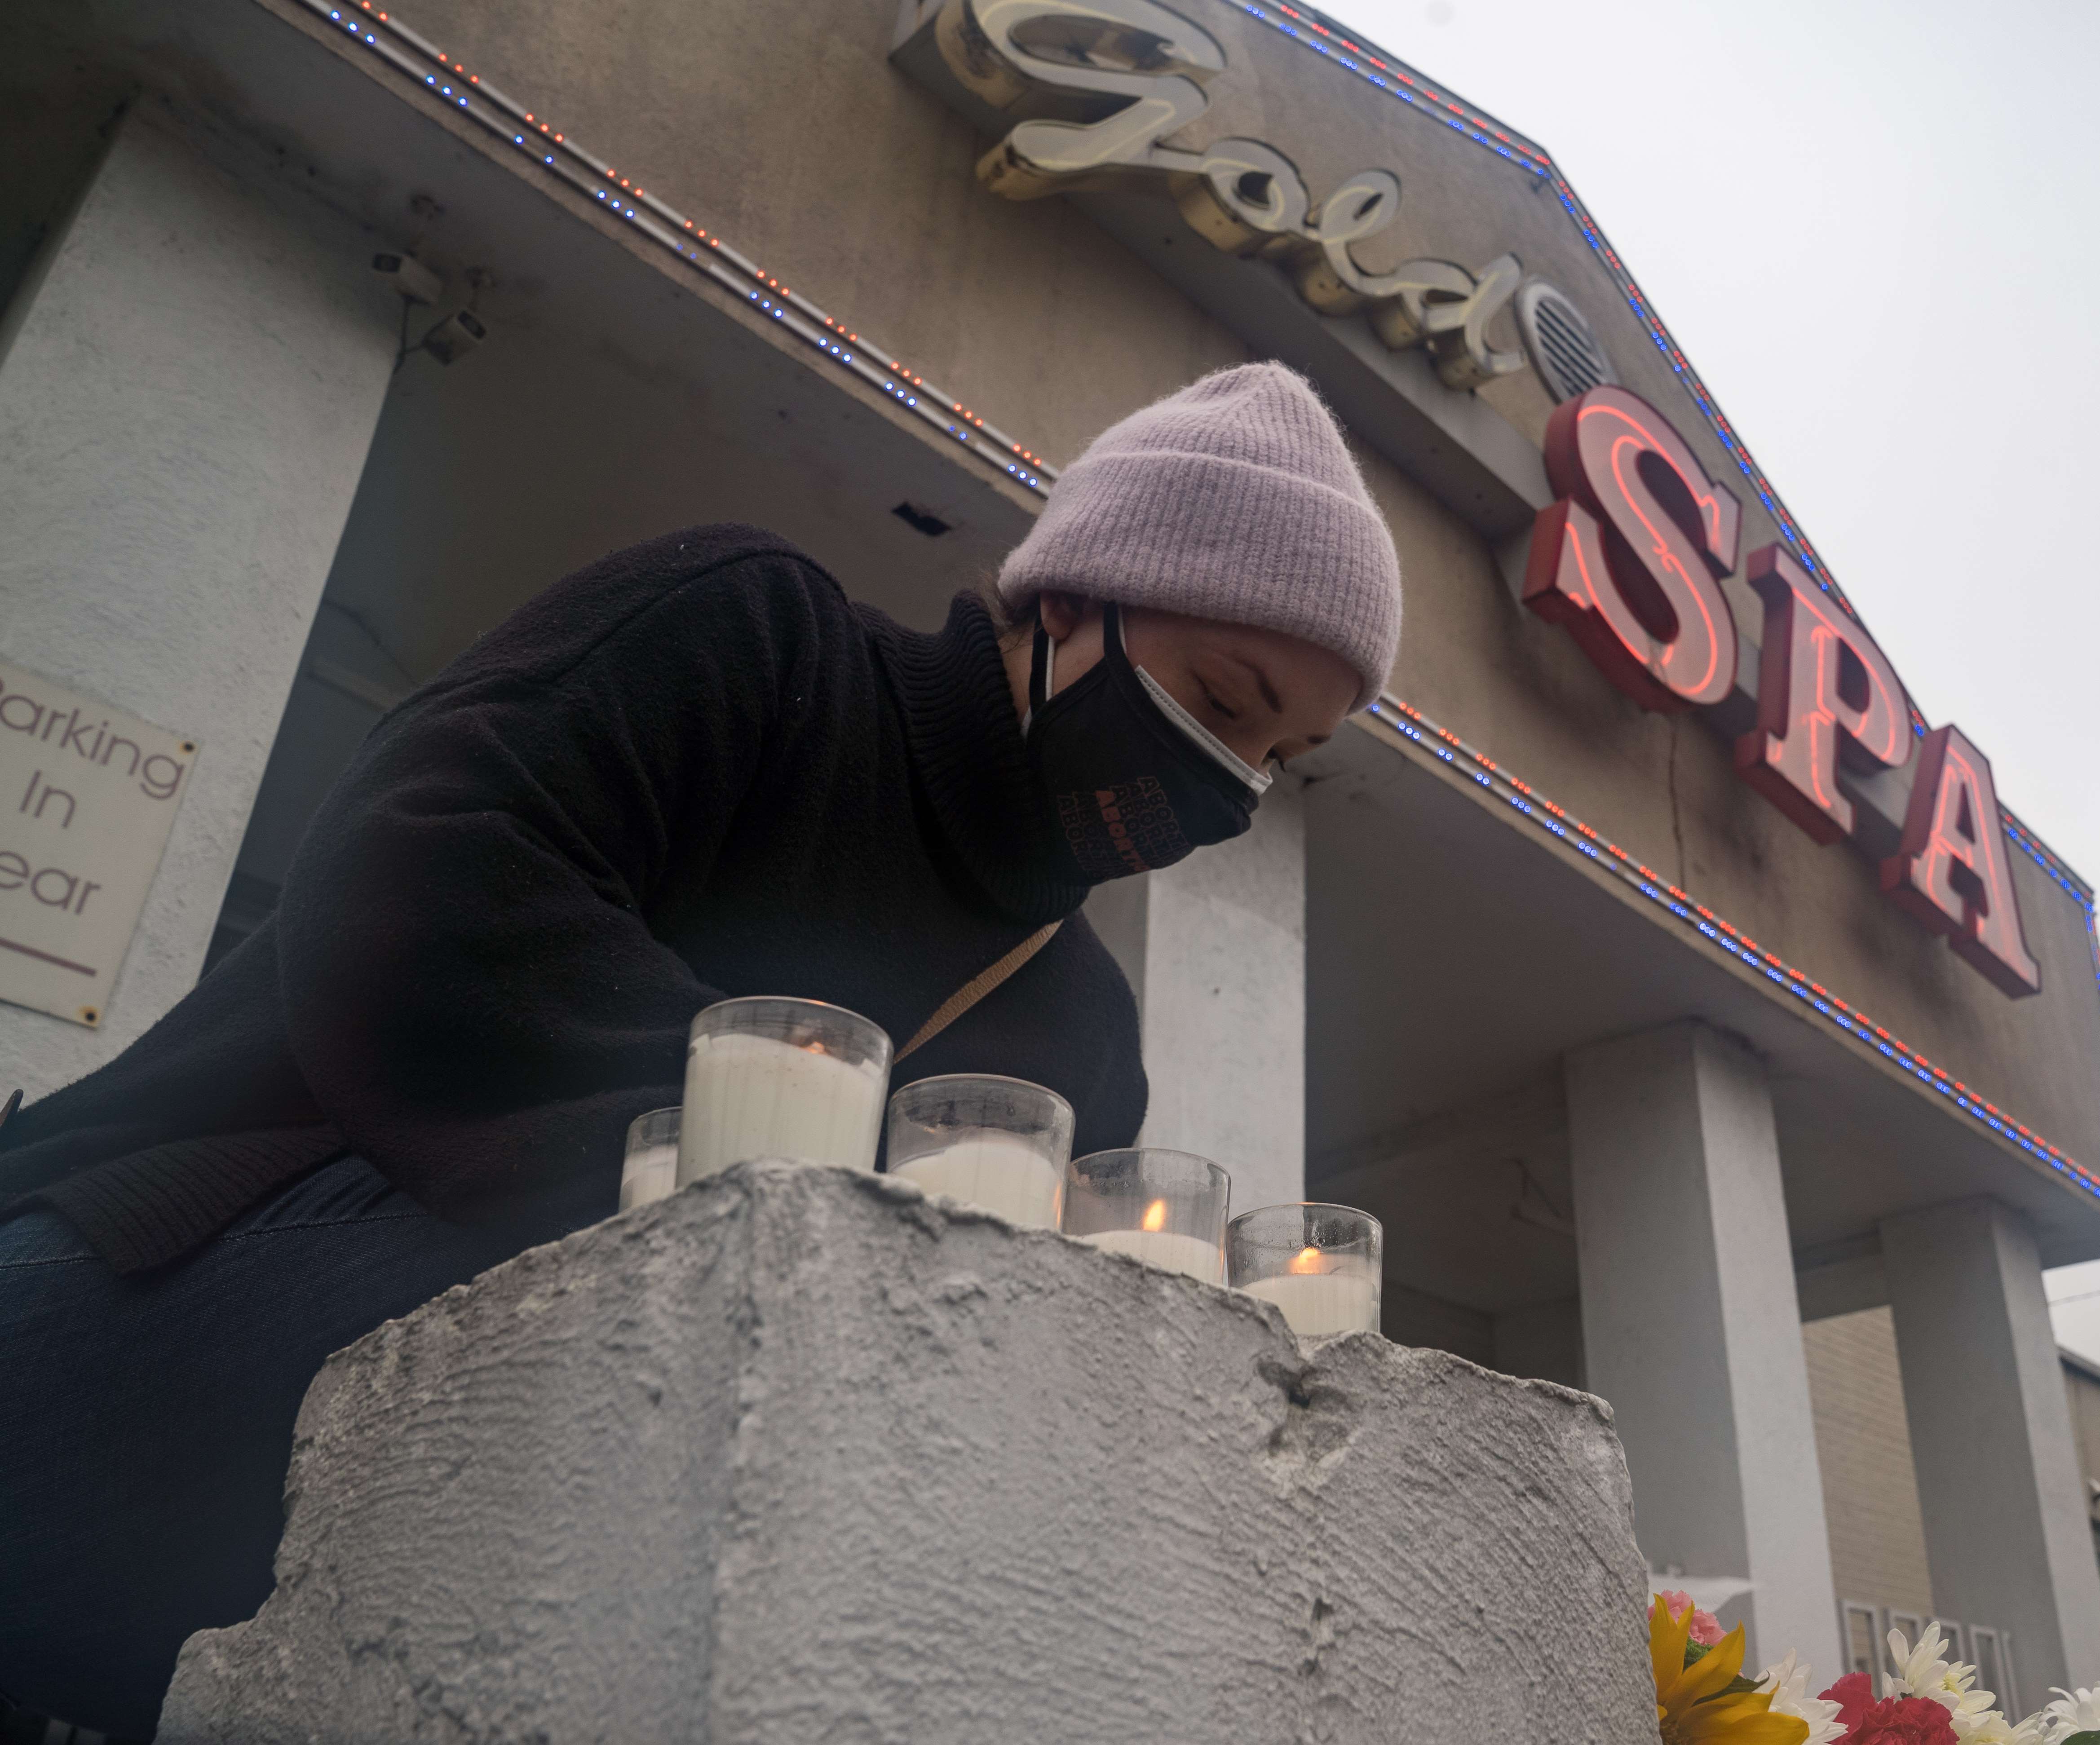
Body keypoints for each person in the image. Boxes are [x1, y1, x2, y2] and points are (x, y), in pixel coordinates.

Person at [0, 361, 1401, 1734]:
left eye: (1282, 760)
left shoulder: (1081, 1034)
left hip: (499, 1537)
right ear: (1073, 599)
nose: (1234, 786)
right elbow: (424, 885)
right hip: (142, 1290)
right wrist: (796, 1187)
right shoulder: (759, 644)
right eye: (1221, 704)